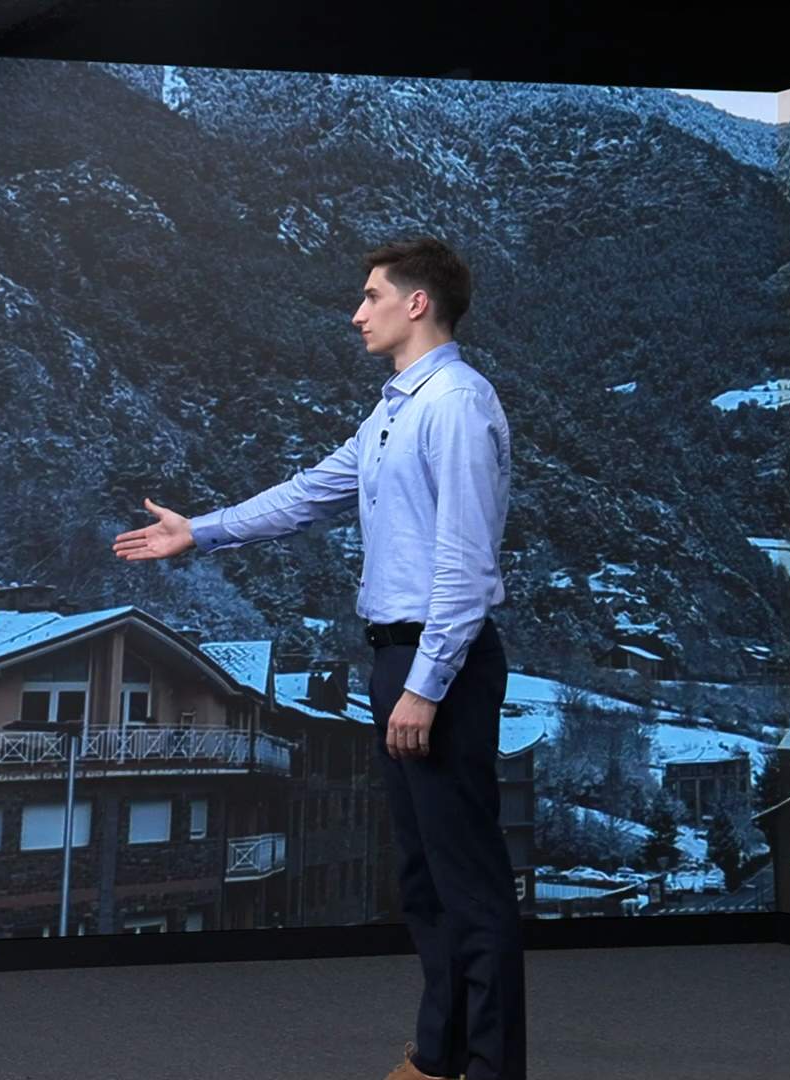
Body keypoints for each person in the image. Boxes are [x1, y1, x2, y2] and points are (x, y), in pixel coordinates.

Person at [110, 237, 522, 1080]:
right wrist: (202, 531)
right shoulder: (393, 412)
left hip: (438, 665)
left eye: (372, 294)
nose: (355, 311)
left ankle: (491, 1069)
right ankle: (438, 1054)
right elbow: (309, 494)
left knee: (470, 886)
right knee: (422, 879)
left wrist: (426, 686)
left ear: (418, 303)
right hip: (398, 663)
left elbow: (468, 568)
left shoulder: (457, 404)